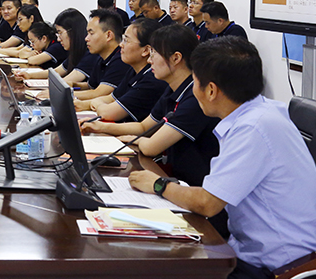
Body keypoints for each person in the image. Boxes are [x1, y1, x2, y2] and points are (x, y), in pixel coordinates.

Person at [129, 37, 316, 279]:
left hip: (284, 271)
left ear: (211, 90)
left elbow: (207, 203)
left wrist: (159, 184)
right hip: (248, 252)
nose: (193, 90)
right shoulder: (258, 112)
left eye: (194, 82)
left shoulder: (253, 128)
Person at [82, 25, 220, 189]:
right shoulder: (173, 88)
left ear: (176, 58)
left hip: (195, 188)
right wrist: (100, 127)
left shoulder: (194, 96)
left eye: (154, 53)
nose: (149, 60)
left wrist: (138, 140)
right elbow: (144, 126)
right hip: (177, 179)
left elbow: (151, 147)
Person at [93, 18, 168, 122]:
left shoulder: (152, 80)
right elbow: (111, 98)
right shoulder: (134, 71)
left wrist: (97, 104)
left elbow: (108, 113)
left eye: (126, 40)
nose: (121, 45)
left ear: (146, 50)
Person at [71, 9, 133, 107]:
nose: (86, 38)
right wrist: (73, 85)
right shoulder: (102, 58)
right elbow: (91, 86)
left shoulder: (120, 61)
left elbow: (99, 93)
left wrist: (64, 94)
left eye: (91, 33)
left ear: (108, 35)